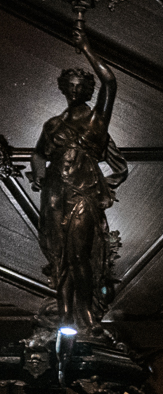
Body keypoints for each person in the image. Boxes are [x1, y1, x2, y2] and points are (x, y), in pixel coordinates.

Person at [30, 34, 126, 340]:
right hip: (54, 192)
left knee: (79, 254)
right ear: (63, 89)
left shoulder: (97, 120)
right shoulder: (52, 125)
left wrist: (87, 50)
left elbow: (110, 83)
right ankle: (65, 314)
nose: (75, 88)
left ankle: (86, 315)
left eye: (80, 85)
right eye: (70, 84)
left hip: (84, 190)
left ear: (87, 90)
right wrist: (37, 175)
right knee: (59, 256)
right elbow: (37, 153)